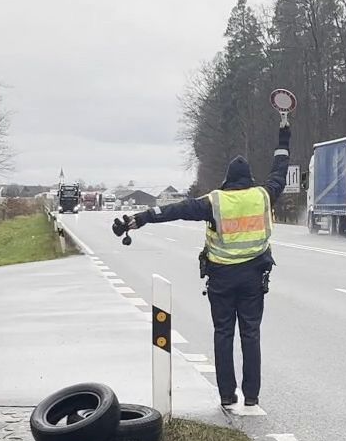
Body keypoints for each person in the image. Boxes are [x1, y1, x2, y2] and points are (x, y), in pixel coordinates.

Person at [120, 113, 291, 408]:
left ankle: (226, 395)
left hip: (222, 279)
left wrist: (140, 219)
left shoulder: (214, 202)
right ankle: (252, 396)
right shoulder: (263, 196)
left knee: (223, 333)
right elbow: (279, 171)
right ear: (249, 179)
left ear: (227, 180)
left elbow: (177, 210)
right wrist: (283, 137)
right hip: (253, 278)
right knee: (251, 333)